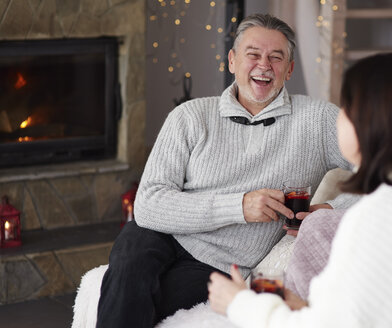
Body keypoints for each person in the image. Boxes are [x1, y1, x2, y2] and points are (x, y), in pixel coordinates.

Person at [96, 14, 352, 328]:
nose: (264, 65)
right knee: (127, 266)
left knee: (138, 299)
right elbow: (147, 205)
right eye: (253, 55)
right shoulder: (189, 116)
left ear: (290, 69)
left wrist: (330, 209)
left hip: (217, 263)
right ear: (232, 61)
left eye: (276, 57)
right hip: (157, 233)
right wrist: (240, 206)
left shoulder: (319, 120)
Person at [208, 53, 392, 327]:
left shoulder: (376, 218)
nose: (337, 119)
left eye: (343, 109)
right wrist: (296, 305)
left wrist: (239, 303)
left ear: (367, 124)